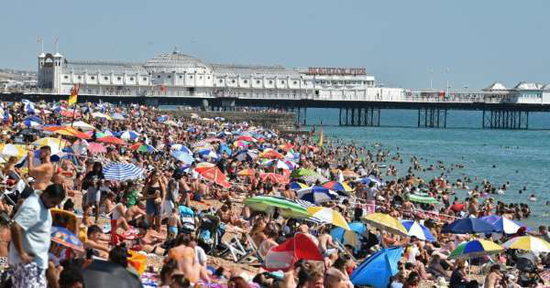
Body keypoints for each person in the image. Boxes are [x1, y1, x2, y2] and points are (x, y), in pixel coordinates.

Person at [9, 183, 65, 288]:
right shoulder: (33, 207)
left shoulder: (43, 205)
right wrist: (22, 253)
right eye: (53, 202)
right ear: (46, 195)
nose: (54, 206)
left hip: (37, 262)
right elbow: (15, 227)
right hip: (26, 264)